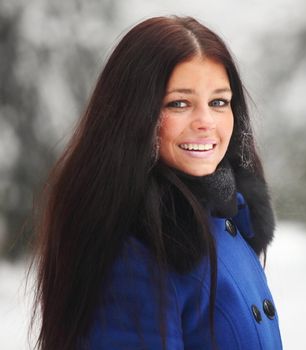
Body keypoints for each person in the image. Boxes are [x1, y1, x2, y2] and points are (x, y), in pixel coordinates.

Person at [32, 16, 282, 349]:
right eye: (179, 103)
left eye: (219, 102)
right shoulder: (137, 249)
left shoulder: (226, 219)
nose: (206, 122)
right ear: (136, 115)